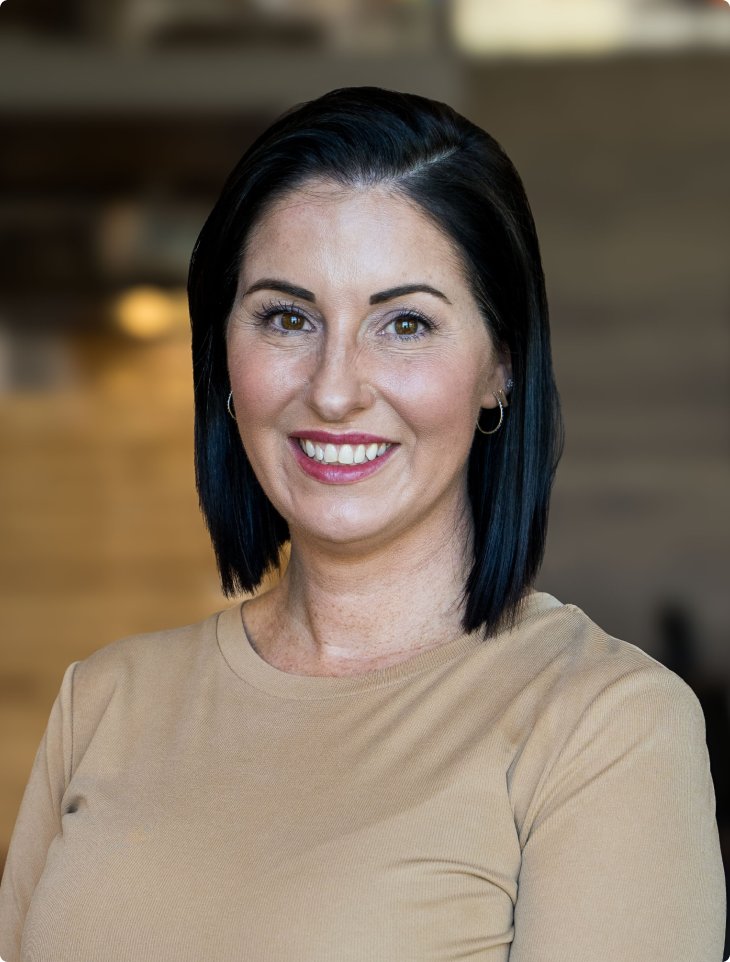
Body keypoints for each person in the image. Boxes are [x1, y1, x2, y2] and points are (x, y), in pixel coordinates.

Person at [0, 87, 724, 962]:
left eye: (405, 323)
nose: (335, 388)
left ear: (500, 365)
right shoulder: (102, 702)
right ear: (222, 356)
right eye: (288, 317)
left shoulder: (607, 728)